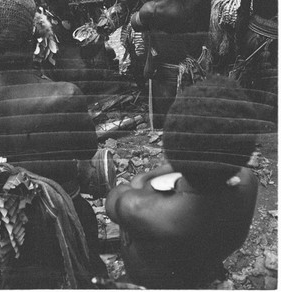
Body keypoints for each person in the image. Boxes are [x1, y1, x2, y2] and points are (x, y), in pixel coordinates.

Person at [0, 0, 107, 288]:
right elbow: (87, 148)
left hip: (11, 218)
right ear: (33, 41)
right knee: (88, 273)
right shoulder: (65, 94)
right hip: (68, 210)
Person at [106, 75, 275, 289]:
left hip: (155, 280)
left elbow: (114, 199)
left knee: (128, 229)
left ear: (169, 149)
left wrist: (143, 178)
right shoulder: (248, 181)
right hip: (205, 266)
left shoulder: (140, 207)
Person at [131, 0, 211, 129]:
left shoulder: (152, 9)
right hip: (199, 65)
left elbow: (134, 22)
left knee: (166, 131)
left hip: (167, 76)